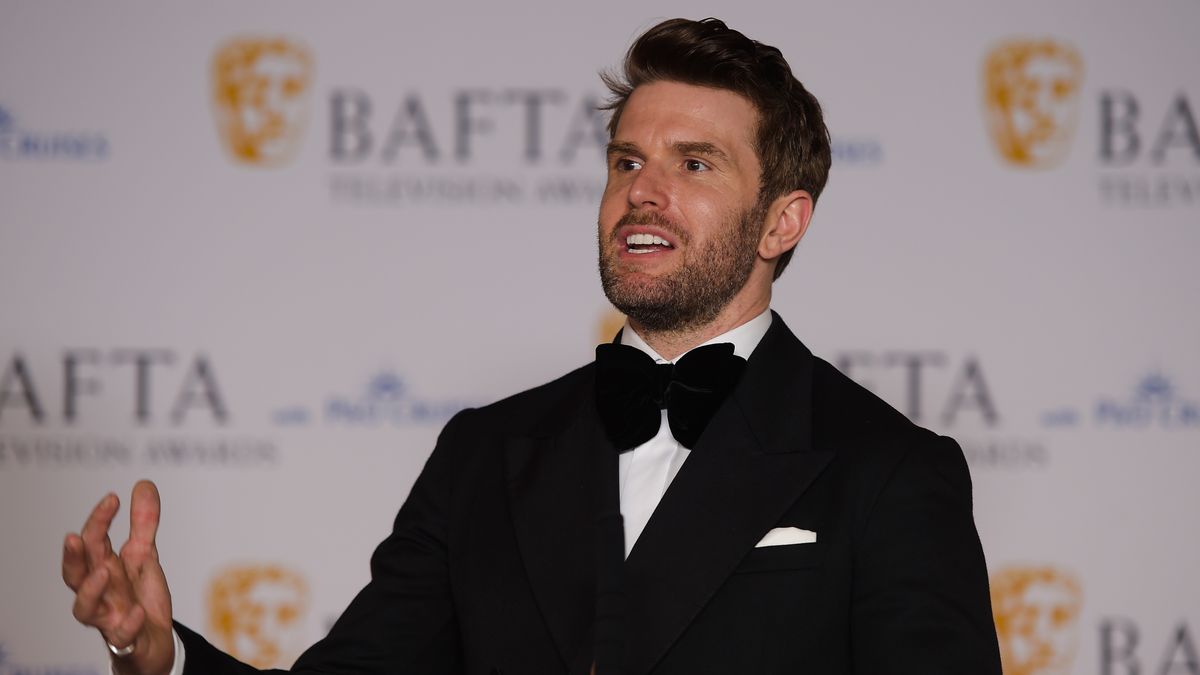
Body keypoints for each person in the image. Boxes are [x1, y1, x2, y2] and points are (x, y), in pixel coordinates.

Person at [63, 17, 1003, 675]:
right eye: (627, 161)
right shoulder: (486, 452)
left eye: (695, 164)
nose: (643, 190)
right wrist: (160, 657)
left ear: (782, 221)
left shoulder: (889, 471)